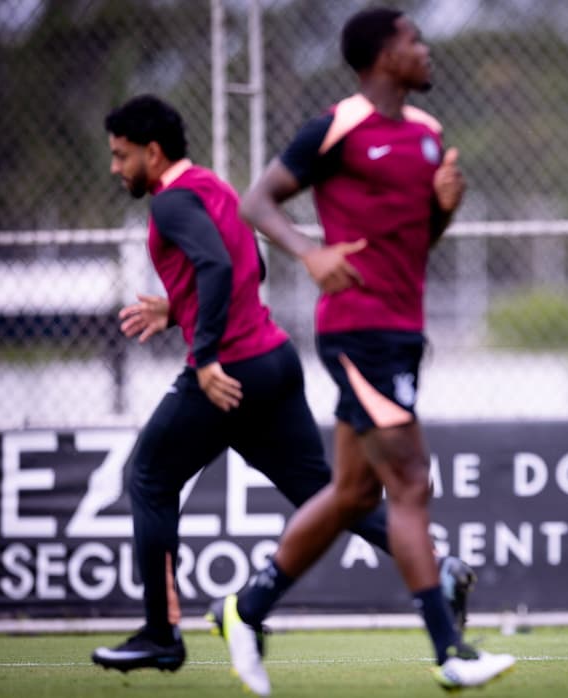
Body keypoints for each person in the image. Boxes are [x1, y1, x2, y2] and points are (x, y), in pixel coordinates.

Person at [91, 94, 476, 683]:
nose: (116, 170)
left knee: (147, 476)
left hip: (231, 370)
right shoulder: (213, 187)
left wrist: (204, 356)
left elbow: (217, 266)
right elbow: (254, 269)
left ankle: (159, 634)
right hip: (274, 362)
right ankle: (441, 567)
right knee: (330, 493)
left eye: (121, 157)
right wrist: (177, 309)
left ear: (152, 151)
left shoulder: (171, 202)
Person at [214, 6, 515, 694]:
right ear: (382, 56)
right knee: (410, 482)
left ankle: (244, 607)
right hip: (356, 330)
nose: (425, 47)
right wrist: (310, 252)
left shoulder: (432, 137)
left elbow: (417, 245)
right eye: (413, 39)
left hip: (403, 330)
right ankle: (450, 652)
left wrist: (444, 208)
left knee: (353, 494)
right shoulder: (338, 126)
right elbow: (256, 202)